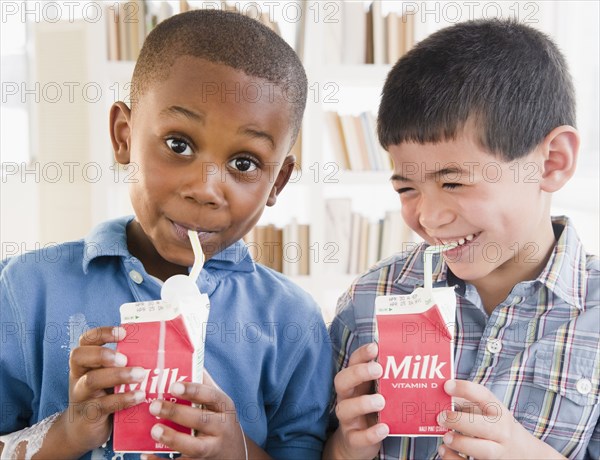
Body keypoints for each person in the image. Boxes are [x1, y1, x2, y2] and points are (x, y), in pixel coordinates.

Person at [0, 9, 333, 460]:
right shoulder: (23, 289)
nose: (205, 188)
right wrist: (69, 432)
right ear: (124, 136)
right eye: (179, 144)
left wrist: (239, 452)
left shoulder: (292, 320)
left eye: (245, 163)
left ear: (277, 182)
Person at [324, 18, 599, 460]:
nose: (429, 217)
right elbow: (310, 444)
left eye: (453, 183)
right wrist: (344, 446)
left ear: (551, 163)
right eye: (406, 189)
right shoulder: (369, 302)